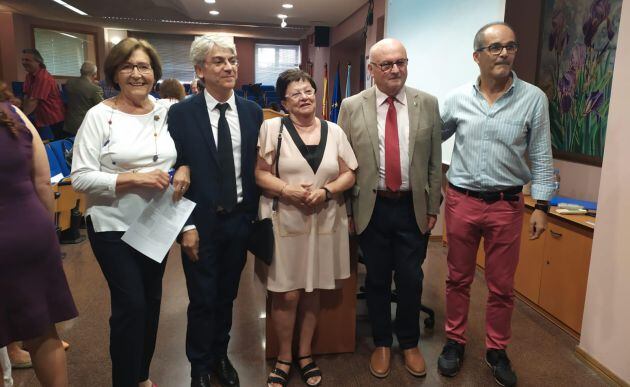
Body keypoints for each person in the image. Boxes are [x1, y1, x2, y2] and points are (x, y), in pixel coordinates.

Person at [438, 22, 555, 387]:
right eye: (495, 48)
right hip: (462, 201)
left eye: (510, 46)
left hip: (507, 205)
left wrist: (543, 206)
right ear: (477, 56)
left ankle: (496, 349)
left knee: (502, 286)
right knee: (458, 278)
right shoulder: (457, 98)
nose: (504, 53)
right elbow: (430, 140)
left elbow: (540, 154)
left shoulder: (533, 98)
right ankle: (455, 341)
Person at [71, 37, 188, 387]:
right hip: (111, 225)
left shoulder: (167, 111)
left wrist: (186, 168)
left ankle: (141, 376)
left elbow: (186, 152)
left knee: (151, 302)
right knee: (130, 305)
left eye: (144, 67)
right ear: (114, 74)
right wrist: (132, 178)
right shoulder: (99, 116)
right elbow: (80, 177)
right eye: (128, 66)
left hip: (157, 223)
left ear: (155, 72)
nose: (137, 74)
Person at [337, 38, 442, 379]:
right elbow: (344, 163)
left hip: (412, 207)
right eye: (387, 64)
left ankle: (409, 343)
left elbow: (434, 162)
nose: (396, 69)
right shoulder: (352, 106)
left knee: (411, 279)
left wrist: (433, 206)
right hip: (372, 207)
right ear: (371, 70)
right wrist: (349, 213)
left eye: (401, 62)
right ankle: (382, 342)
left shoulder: (426, 103)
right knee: (379, 279)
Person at [167, 35, 263, 387]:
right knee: (202, 298)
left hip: (239, 220)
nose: (229, 67)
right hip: (199, 223)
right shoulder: (180, 114)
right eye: (220, 61)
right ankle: (199, 366)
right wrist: (185, 226)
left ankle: (220, 355)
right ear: (199, 70)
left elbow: (258, 167)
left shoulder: (252, 112)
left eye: (233, 60)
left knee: (227, 295)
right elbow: (173, 167)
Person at [255, 69, 357, 387]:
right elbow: (260, 174)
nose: (305, 96)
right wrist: (288, 190)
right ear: (284, 102)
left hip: (325, 219)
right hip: (285, 219)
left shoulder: (335, 131)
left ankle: (305, 354)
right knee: (287, 293)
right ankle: (284, 357)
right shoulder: (273, 129)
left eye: (309, 90)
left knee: (312, 290)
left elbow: (349, 172)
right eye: (296, 93)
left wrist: (326, 191)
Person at [0, 100, 77, 386]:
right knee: (43, 331)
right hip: (27, 231)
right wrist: (47, 233)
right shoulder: (13, 112)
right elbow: (43, 181)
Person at [21, 48, 66, 139]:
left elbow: (33, 101)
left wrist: (21, 117)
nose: (24, 62)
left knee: (54, 147)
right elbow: (27, 97)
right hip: (40, 117)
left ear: (38, 62)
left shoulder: (43, 77)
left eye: (27, 60)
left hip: (53, 119)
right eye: (23, 60)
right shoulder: (29, 76)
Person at [63, 61, 104, 136]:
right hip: (85, 126)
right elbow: (102, 108)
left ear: (80, 71)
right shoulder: (95, 89)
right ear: (94, 75)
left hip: (69, 124)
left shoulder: (69, 82)